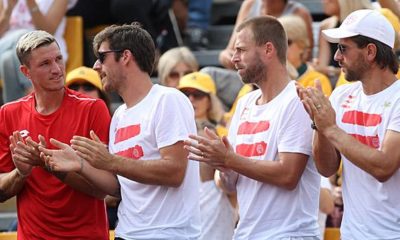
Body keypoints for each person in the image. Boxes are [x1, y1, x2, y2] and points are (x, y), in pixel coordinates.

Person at [41, 23, 201, 239]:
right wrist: (79, 166)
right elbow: (118, 188)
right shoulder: (119, 115)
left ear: (125, 56)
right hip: (126, 232)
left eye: (102, 56)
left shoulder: (168, 99)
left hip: (168, 233)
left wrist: (110, 161)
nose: (96, 66)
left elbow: (174, 172)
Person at [184, 16, 320, 239]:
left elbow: (288, 175)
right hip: (248, 233)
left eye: (241, 50)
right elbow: (230, 186)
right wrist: (222, 166)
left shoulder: (296, 100)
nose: (234, 58)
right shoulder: (245, 103)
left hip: (289, 234)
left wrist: (229, 160)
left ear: (268, 50)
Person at [297, 9, 400, 239]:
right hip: (352, 233)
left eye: (343, 48)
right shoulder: (341, 95)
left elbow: (384, 167)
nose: (336, 57)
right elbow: (326, 167)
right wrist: (318, 125)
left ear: (371, 51)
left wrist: (330, 128)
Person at [0, 30, 110, 239]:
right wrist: (20, 173)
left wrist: (49, 165)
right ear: (26, 72)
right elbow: (1, 192)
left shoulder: (93, 109)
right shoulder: (8, 114)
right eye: (45, 64)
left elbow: (102, 190)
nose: (57, 69)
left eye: (59, 59)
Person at [178, 71, 235, 239]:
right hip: (181, 203)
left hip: (216, 204)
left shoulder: (224, 133)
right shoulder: (170, 132)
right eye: (185, 94)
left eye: (198, 95)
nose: (191, 99)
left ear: (210, 100)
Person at [0, 0, 77, 104]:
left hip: (44, 48)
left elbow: (47, 31)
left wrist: (31, 3)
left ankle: (14, 114)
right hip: (7, 45)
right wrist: (8, 9)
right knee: (22, 39)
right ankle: (36, 96)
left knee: (7, 60)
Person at [219, 0, 314, 69]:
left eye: (288, 42)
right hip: (246, 77)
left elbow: (306, 54)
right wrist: (226, 56)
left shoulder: (300, 13)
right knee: (208, 74)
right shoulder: (249, 5)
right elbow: (229, 50)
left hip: (284, 78)